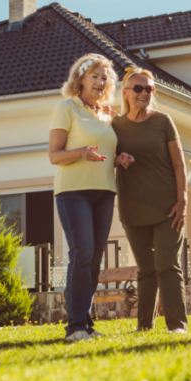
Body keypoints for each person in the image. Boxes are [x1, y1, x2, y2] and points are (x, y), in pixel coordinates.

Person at [48, 54, 125, 343]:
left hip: (104, 191)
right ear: (80, 79)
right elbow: (54, 155)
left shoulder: (105, 114)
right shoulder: (66, 108)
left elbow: (104, 155)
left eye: (105, 77)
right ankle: (75, 327)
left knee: (93, 259)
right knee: (82, 254)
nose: (101, 81)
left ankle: (86, 324)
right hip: (73, 191)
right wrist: (80, 152)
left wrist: (120, 159)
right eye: (95, 75)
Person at [112, 68, 190, 333]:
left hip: (168, 208)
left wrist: (183, 201)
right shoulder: (115, 126)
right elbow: (106, 159)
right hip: (132, 210)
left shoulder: (163, 121)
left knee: (167, 265)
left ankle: (177, 325)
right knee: (145, 269)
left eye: (149, 89)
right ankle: (144, 327)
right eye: (138, 88)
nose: (145, 93)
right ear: (125, 93)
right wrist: (118, 159)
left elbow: (180, 165)